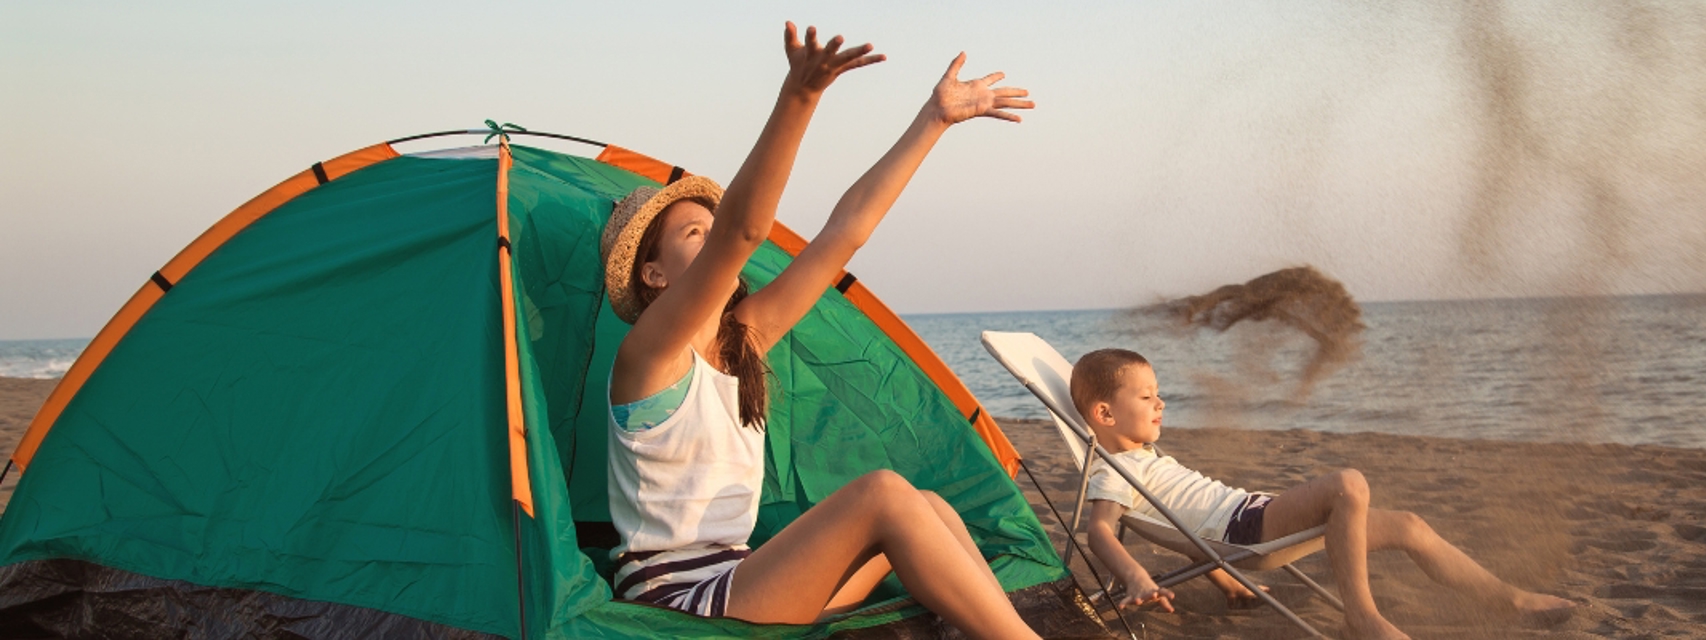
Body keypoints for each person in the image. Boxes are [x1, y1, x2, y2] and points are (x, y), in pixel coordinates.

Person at [599, 22, 1039, 638]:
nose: (715, 237)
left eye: (710, 226)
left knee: (929, 509)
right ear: (653, 274)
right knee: (882, 494)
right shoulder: (649, 355)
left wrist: (933, 121)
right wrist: (799, 96)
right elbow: (743, 233)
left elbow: (845, 232)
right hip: (681, 608)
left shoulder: (740, 342)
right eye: (695, 233)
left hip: (743, 580)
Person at [1070, 348, 1576, 640]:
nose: (1160, 402)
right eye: (1145, 396)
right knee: (1348, 484)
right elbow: (1099, 531)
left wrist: (1226, 584)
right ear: (1105, 415)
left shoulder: (1145, 460)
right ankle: (1362, 615)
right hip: (1249, 530)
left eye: (1158, 393)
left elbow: (1183, 523)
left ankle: (1510, 599)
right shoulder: (1114, 471)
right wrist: (1135, 576)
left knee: (1409, 526)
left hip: (1252, 521)